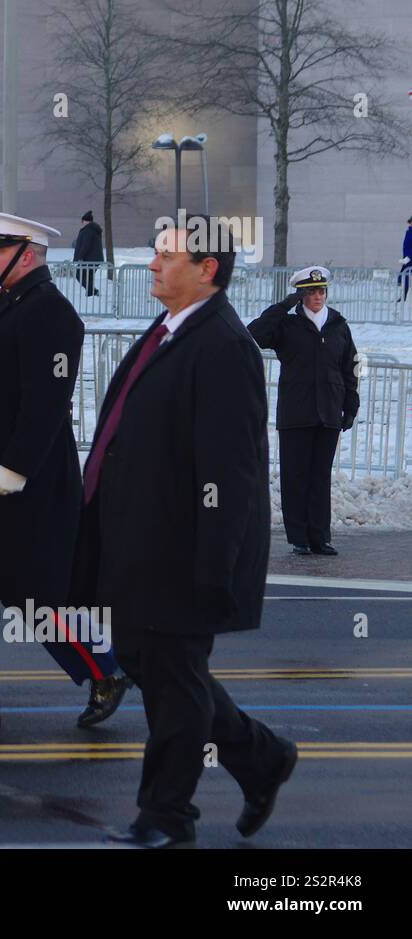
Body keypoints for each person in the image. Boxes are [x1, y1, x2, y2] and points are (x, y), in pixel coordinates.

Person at [74, 215, 296, 848]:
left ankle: (168, 816)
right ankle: (261, 757)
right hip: (143, 543)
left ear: (207, 270)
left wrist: (212, 570)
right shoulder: (173, 329)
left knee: (174, 679)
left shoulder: (223, 345)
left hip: (183, 552)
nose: (152, 264)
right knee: (158, 666)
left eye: (167, 256)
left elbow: (231, 472)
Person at [0, 211, 132, 729]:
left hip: (22, 482)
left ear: (27, 255)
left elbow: (45, 402)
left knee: (33, 594)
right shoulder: (9, 305)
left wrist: (14, 468)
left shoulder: (51, 314)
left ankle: (103, 671)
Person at [248, 266, 359, 556]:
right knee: (295, 476)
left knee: (320, 477)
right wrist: (284, 305)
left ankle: (320, 537)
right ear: (301, 295)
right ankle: (299, 538)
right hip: (297, 412)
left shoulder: (338, 325)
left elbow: (350, 367)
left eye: (321, 291)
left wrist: (350, 404)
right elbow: (254, 335)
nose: (318, 296)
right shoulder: (287, 325)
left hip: (329, 412)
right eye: (310, 292)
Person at [71, 210, 104, 296]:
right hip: (96, 258)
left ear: (85, 221)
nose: (82, 223)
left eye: (83, 221)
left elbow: (85, 245)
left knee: (79, 274)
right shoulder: (94, 229)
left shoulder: (88, 230)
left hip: (89, 259)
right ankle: (91, 294)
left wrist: (79, 257)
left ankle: (93, 291)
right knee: (89, 277)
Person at [399, 216, 412, 301]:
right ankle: (403, 297)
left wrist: (409, 257)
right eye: (409, 222)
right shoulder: (409, 232)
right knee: (405, 277)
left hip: (410, 258)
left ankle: (404, 297)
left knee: (406, 277)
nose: (409, 223)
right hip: (407, 259)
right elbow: (406, 246)